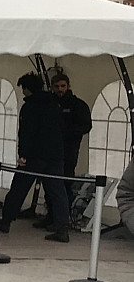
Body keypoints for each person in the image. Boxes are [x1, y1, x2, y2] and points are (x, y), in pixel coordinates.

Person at [0, 73, 70, 242]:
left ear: (27, 89)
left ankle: (6, 220)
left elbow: (26, 133)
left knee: (18, 189)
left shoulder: (29, 107)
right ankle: (62, 228)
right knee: (58, 192)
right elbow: (62, 128)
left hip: (34, 156)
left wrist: (23, 154)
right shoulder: (54, 104)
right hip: (55, 155)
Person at [51, 73, 92, 209]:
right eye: (57, 86)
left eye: (63, 86)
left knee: (66, 181)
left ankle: (64, 213)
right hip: (51, 150)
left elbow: (86, 126)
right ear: (52, 87)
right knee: (50, 183)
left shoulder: (78, 105)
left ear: (68, 86)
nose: (60, 89)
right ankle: (51, 212)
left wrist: (67, 132)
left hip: (69, 150)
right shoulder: (49, 104)